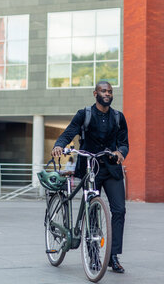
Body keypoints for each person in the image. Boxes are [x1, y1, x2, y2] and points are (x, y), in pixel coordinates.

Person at [51, 81, 129, 274]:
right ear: (95, 93)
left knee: (119, 210)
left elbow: (124, 142)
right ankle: (93, 256)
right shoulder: (84, 114)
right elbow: (69, 133)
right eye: (103, 91)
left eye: (110, 91)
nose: (107, 94)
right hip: (89, 168)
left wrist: (121, 152)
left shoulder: (118, 117)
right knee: (92, 212)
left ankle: (112, 255)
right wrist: (59, 145)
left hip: (111, 168)